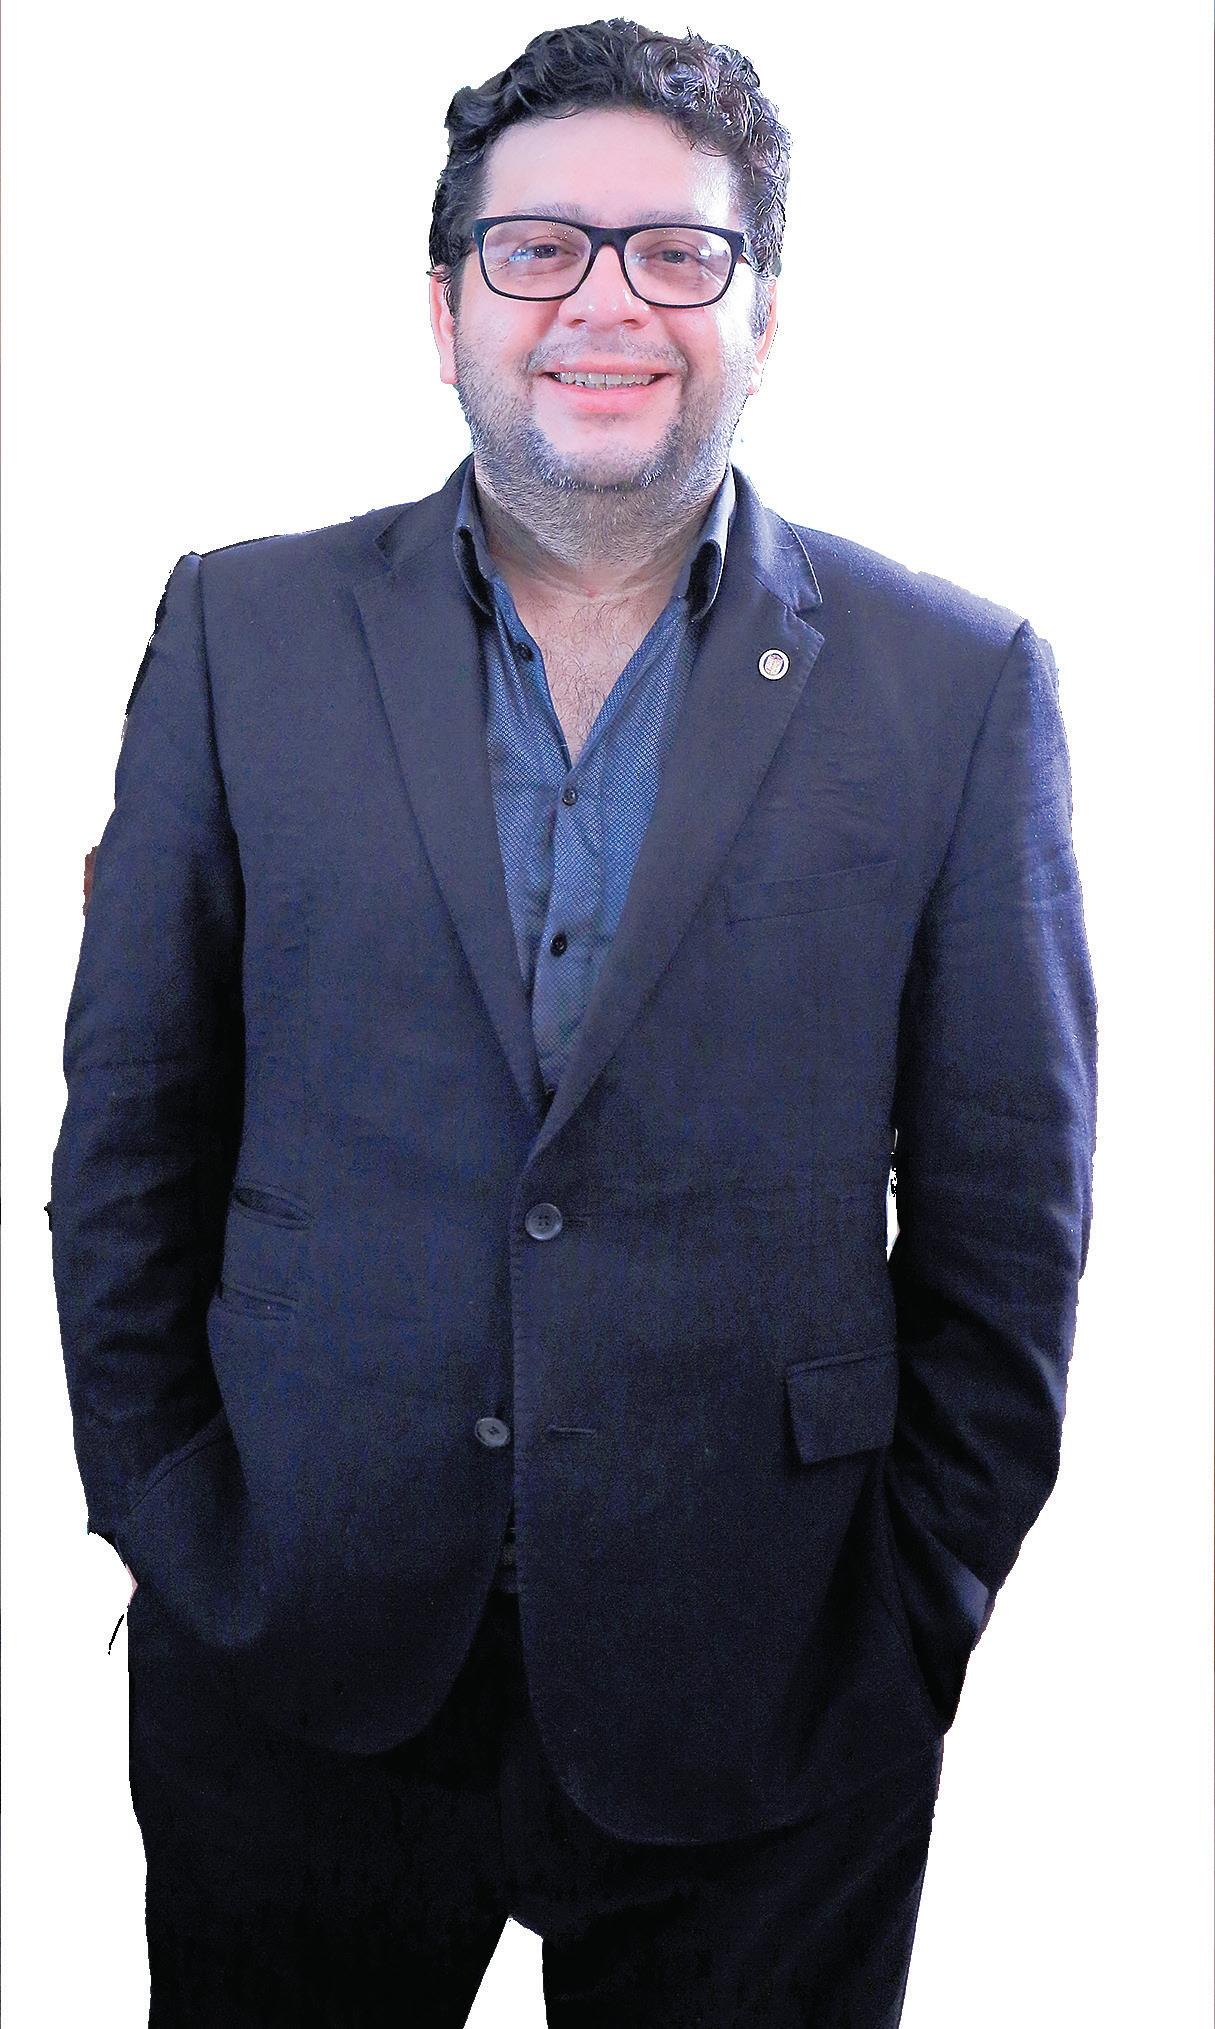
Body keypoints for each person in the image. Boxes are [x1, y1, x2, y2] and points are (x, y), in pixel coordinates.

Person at [49, 18, 1098, 2025]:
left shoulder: (958, 687)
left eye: (676, 252)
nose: (605, 301)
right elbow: (131, 1136)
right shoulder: (238, 634)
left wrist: (912, 1611)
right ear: (442, 308)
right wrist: (173, 1521)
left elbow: (1008, 1214)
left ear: (763, 317)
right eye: (535, 249)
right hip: (293, 1660)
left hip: (773, 1685)